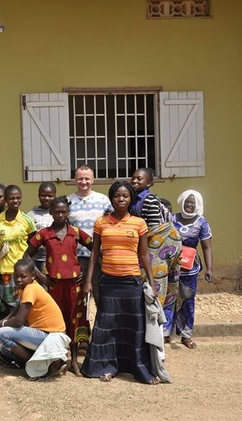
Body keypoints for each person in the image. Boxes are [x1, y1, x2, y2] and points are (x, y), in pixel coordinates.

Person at [80, 181, 160, 385]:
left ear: (131, 198)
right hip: (108, 283)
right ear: (111, 198)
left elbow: (144, 255)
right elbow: (94, 253)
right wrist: (88, 281)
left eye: (125, 196)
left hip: (132, 283)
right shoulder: (101, 223)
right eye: (117, 195)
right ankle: (106, 367)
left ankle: (139, 369)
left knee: (133, 327)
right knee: (107, 327)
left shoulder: (139, 223)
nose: (121, 199)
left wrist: (151, 283)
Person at [25, 196, 92, 375]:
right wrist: (41, 277)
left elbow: (95, 249)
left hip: (75, 286)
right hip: (54, 286)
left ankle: (75, 360)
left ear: (68, 212)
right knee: (57, 321)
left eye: (63, 212)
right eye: (57, 212)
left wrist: (85, 273)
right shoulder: (44, 234)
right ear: (51, 213)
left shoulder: (76, 232)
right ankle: (59, 359)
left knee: (75, 320)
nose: (60, 215)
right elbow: (26, 256)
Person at [0, 259, 69, 378]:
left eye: (23, 276)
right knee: (4, 348)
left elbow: (18, 321)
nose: (18, 279)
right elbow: (15, 311)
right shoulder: (28, 287)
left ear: (33, 275)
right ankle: (51, 361)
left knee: (2, 334)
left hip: (52, 336)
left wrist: (1, 325)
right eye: (16, 276)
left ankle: (39, 367)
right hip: (47, 335)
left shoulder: (30, 289)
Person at [130, 168, 182, 319]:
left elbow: (152, 228)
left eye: (139, 179)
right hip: (150, 242)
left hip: (162, 242)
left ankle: (157, 322)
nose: (134, 181)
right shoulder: (133, 199)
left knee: (157, 282)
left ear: (149, 183)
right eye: (133, 178)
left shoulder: (150, 200)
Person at [170, 190, 213, 349]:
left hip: (190, 269)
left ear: (198, 205)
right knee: (169, 300)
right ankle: (166, 333)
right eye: (187, 202)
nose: (189, 205)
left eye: (192, 203)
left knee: (187, 301)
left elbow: (207, 247)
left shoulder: (202, 223)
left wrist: (209, 269)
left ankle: (186, 335)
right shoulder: (172, 218)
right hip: (171, 267)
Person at [67, 165, 111, 304]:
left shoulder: (103, 200)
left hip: (99, 255)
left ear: (93, 180)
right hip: (76, 256)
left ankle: (101, 325)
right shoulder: (68, 201)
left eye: (87, 179)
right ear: (75, 180)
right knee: (78, 296)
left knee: (100, 294)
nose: (83, 182)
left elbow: (111, 224)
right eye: (80, 178)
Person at [0, 184, 37, 307]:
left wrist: (29, 264)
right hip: (5, 270)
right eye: (11, 198)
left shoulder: (27, 220)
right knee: (7, 304)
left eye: (18, 198)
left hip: (23, 272)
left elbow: (34, 244)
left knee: (24, 303)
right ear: (5, 200)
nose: (15, 201)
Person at [27, 182, 56, 272]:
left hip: (55, 259)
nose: (47, 198)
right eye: (43, 195)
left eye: (50, 196)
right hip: (36, 259)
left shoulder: (58, 213)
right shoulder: (31, 215)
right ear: (39, 195)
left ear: (55, 196)